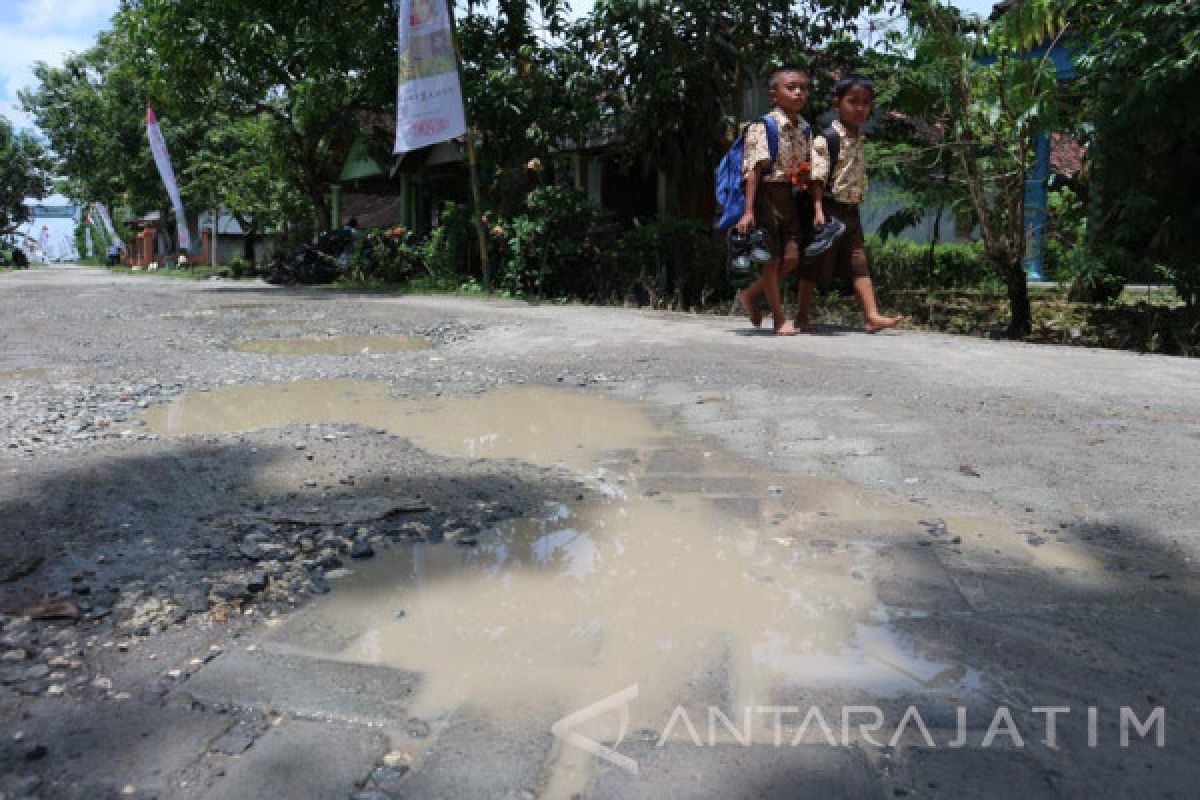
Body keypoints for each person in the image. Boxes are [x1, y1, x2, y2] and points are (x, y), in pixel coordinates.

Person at [797, 75, 904, 334]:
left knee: (858, 263)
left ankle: (871, 316)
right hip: (829, 209)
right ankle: (801, 315)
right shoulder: (828, 139)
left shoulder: (859, 138)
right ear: (837, 103)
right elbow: (817, 179)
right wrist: (819, 211)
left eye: (865, 103)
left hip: (851, 210)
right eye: (852, 102)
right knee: (815, 262)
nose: (859, 108)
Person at [733, 65, 813, 336]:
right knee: (771, 259)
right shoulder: (763, 126)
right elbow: (754, 170)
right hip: (765, 195)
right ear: (774, 95)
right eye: (791, 87)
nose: (799, 92)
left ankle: (750, 295)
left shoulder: (804, 127)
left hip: (789, 196)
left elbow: (802, 166)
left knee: (791, 258)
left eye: (803, 88)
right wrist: (747, 211)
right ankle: (779, 319)